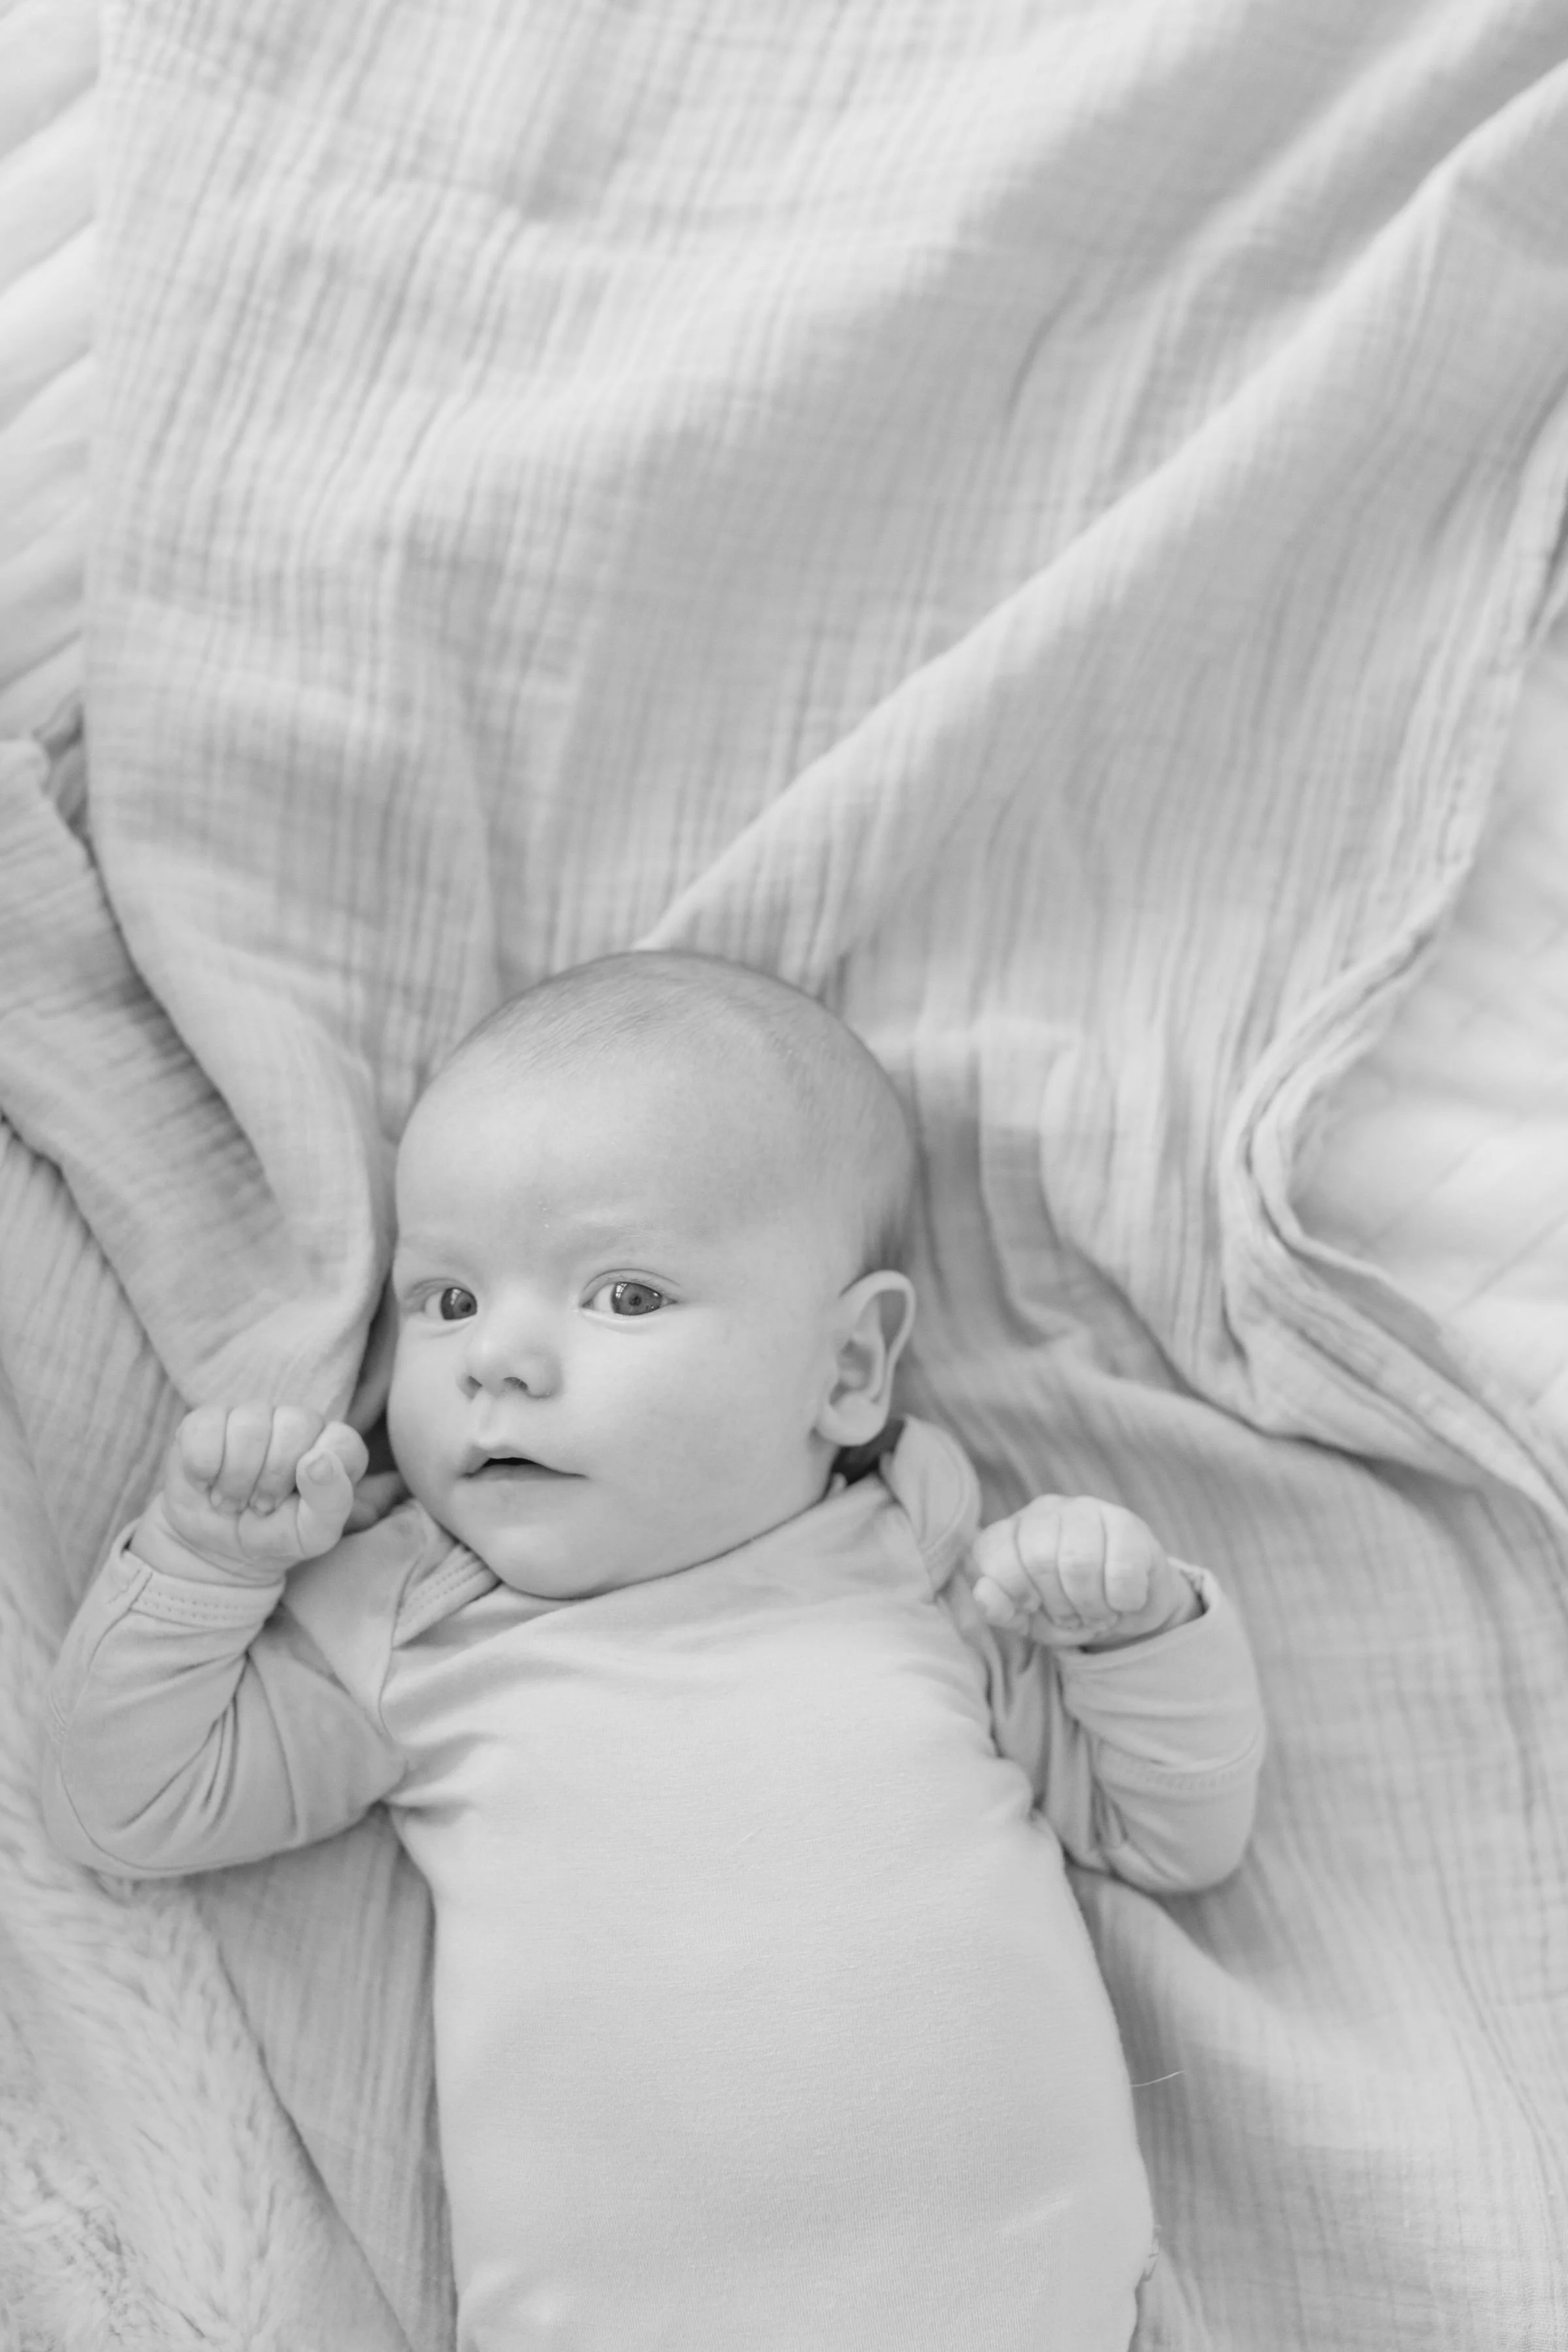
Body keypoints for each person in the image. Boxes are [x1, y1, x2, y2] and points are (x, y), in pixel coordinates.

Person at [42, 949, 1265, 2351]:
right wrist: (206, 1561)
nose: (495, 1358)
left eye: (622, 1295)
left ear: (851, 1369)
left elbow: (1173, 1833)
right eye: (444, 1300)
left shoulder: (924, 1572)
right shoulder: (420, 1617)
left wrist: (1141, 1637)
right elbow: (124, 1809)